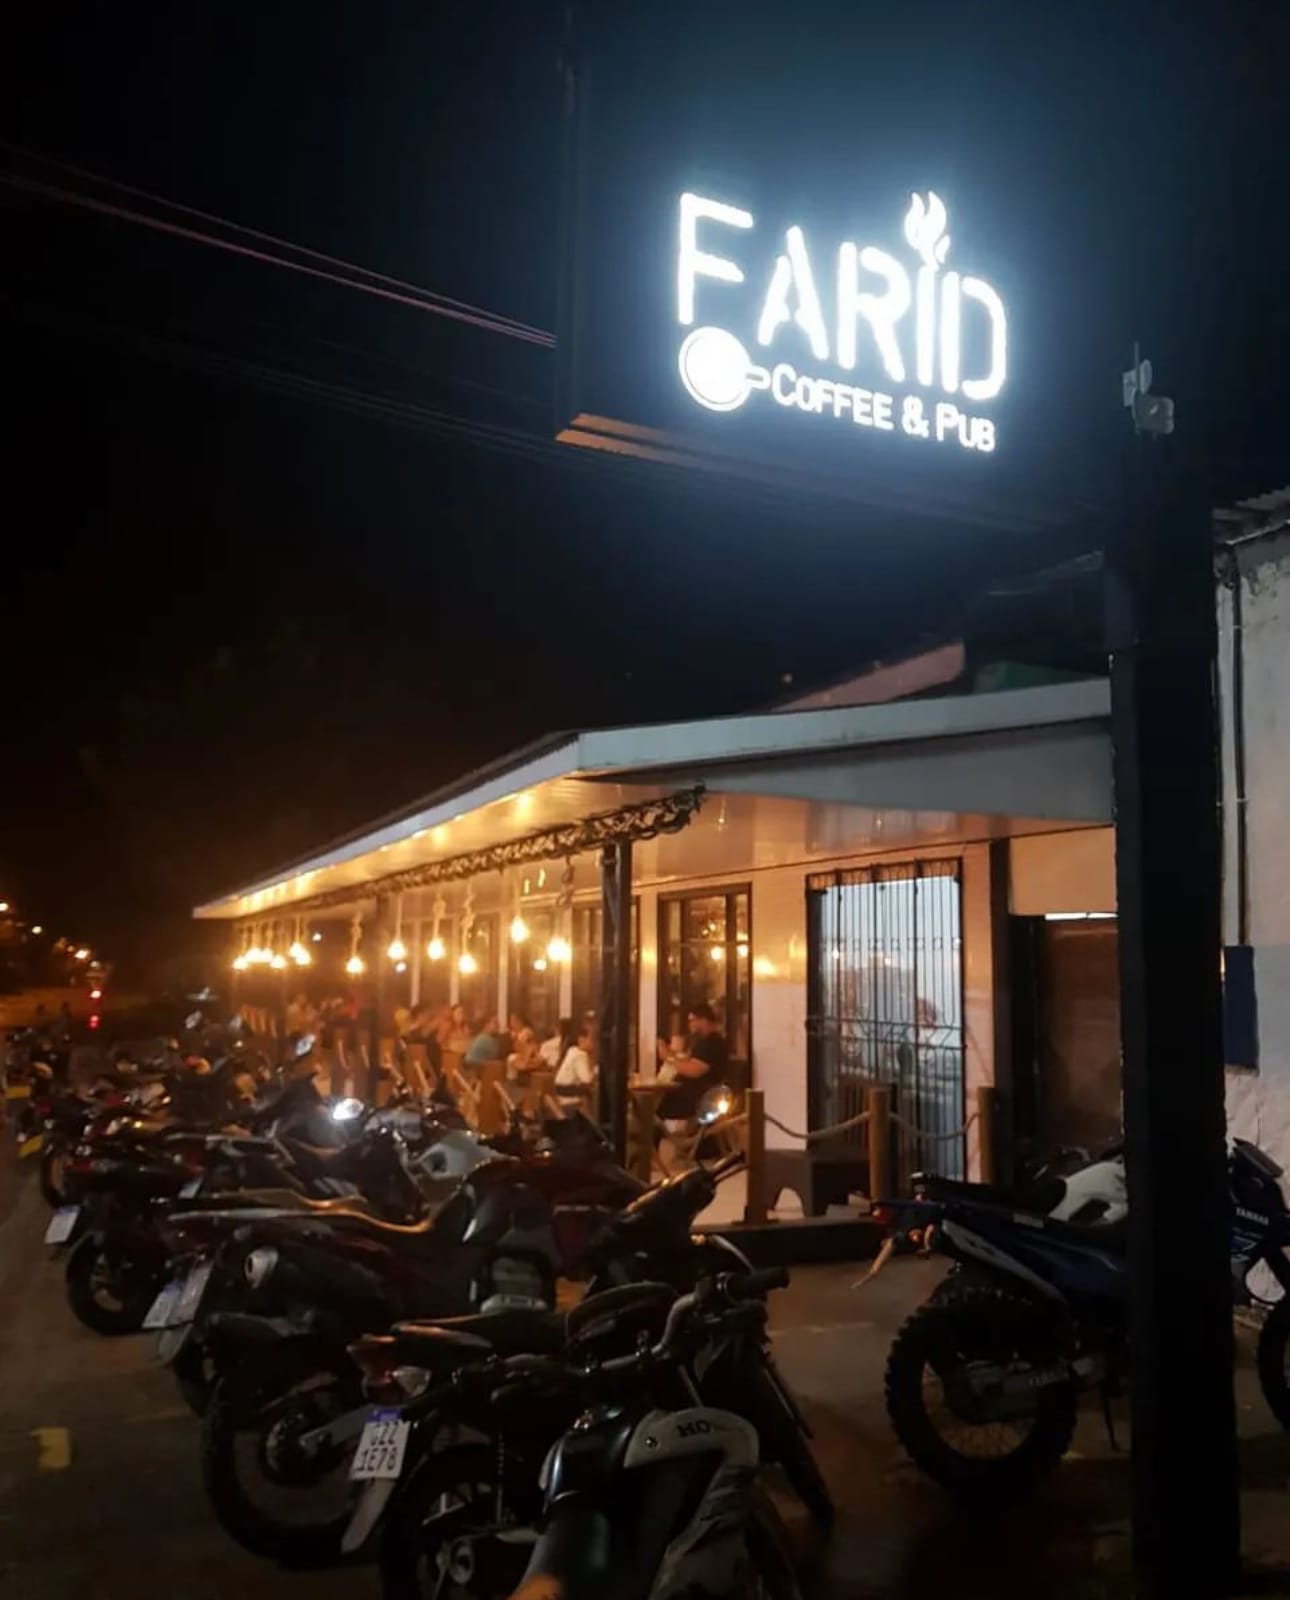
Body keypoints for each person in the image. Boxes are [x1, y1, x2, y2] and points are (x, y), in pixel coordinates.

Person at [657, 1002, 728, 1120]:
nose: (690, 1024)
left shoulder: (712, 1042)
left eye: (692, 1020)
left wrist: (668, 1058)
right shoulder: (704, 1042)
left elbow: (694, 1070)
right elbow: (688, 1062)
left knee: (656, 1108)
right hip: (694, 1096)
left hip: (697, 1099)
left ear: (703, 1020)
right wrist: (670, 1054)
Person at [554, 1021, 597, 1112]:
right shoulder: (580, 1056)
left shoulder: (572, 1050)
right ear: (581, 1039)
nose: (595, 1043)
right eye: (593, 1039)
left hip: (561, 1100)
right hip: (571, 1103)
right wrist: (594, 1067)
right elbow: (587, 1080)